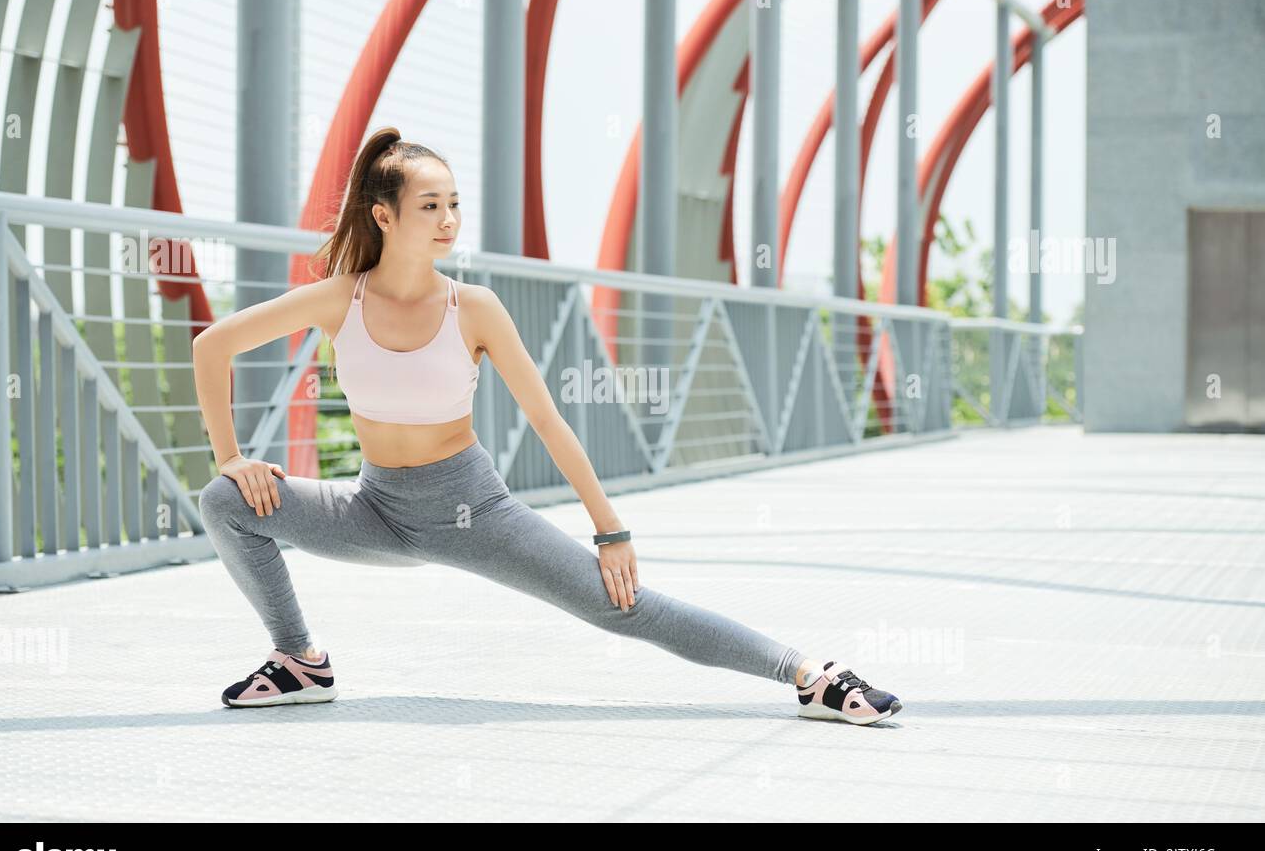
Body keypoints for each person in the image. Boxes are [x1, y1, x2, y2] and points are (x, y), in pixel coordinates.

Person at [192, 126, 903, 725]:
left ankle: (811, 675)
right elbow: (211, 346)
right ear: (383, 215)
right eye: (430, 204)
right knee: (226, 502)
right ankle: (300, 661)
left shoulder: (473, 308)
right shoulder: (336, 299)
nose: (448, 220)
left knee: (623, 607)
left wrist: (611, 529)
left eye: (454, 204)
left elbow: (546, 418)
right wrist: (232, 457)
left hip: (474, 510)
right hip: (373, 508)